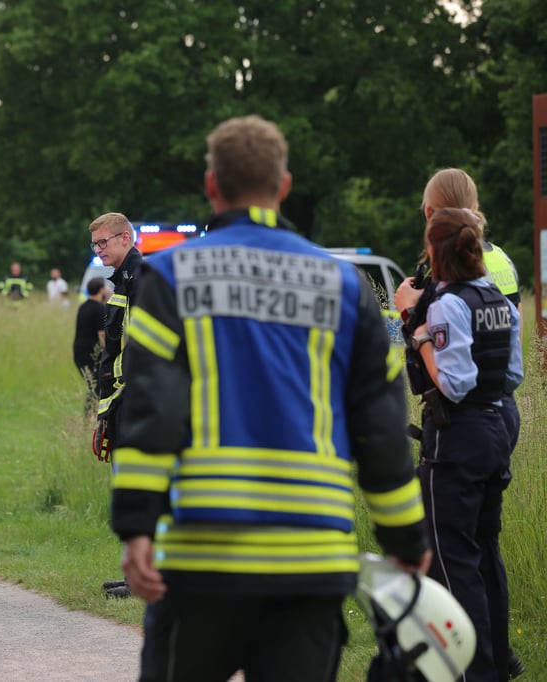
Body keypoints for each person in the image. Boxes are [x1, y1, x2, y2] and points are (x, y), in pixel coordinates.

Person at [111, 115, 431, 681]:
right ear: (283, 187)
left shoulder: (170, 278)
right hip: (312, 562)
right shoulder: (345, 287)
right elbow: (382, 430)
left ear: (212, 186)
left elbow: (149, 413)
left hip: (201, 559)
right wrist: (405, 537)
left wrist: (136, 526)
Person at [394, 207, 523, 681]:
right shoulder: (497, 299)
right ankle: (494, 661)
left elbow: (453, 382)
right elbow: (513, 373)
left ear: (437, 250)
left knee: (451, 562)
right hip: (495, 427)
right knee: (485, 552)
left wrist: (420, 332)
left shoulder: (448, 304)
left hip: (459, 436)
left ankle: (469, 671)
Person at [88, 211, 142, 599]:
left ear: (126, 238)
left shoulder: (142, 280)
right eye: (94, 244)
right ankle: (133, 573)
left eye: (103, 242)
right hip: (121, 402)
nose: (98, 250)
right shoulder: (124, 279)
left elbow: (139, 351)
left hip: (136, 402)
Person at [73, 276, 108, 416]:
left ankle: (90, 417)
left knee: (92, 385)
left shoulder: (84, 306)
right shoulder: (100, 309)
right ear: (101, 290)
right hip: (92, 353)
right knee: (96, 386)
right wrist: (107, 352)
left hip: (79, 351)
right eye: (105, 287)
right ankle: (90, 417)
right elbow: (102, 335)